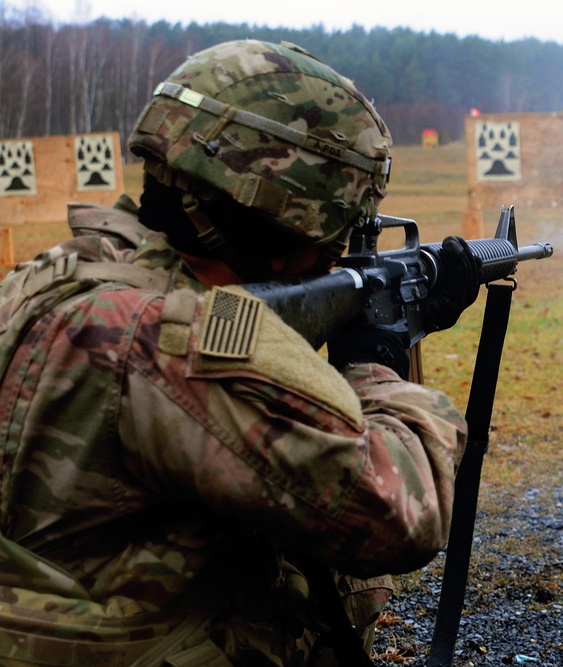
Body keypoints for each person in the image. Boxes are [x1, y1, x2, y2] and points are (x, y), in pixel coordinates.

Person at [0, 39, 481, 666]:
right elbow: (398, 514)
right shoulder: (184, 337)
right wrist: (377, 363)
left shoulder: (60, 274)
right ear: (295, 212)